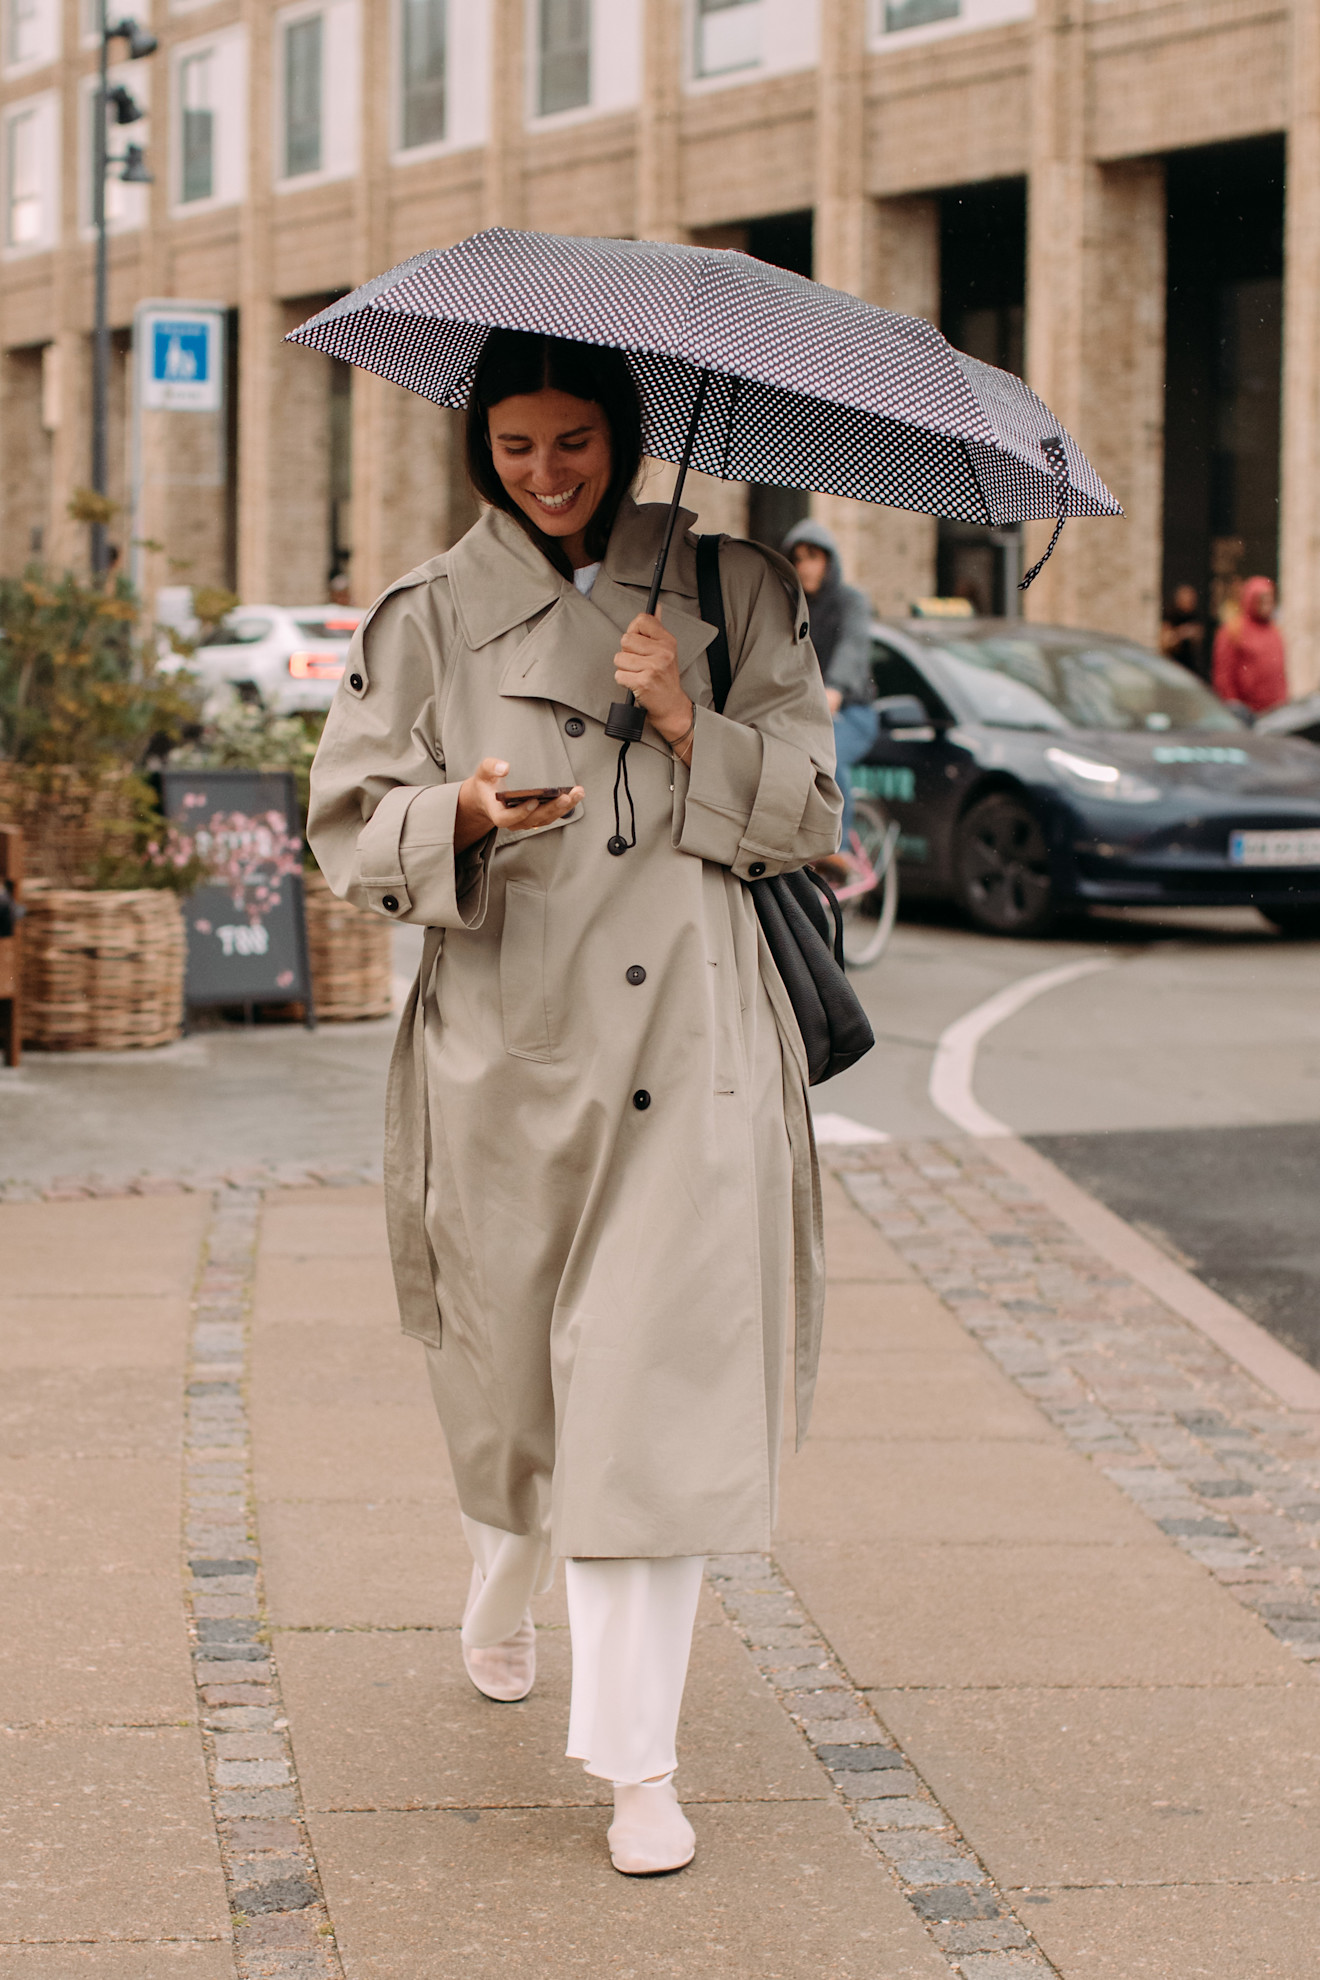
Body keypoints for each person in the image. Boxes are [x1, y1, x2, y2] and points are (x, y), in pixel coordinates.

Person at [307, 331, 840, 1879]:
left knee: (649, 1398)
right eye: (520, 446)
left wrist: (690, 721)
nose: (549, 473)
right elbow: (345, 824)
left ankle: (638, 1768)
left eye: (578, 443)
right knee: (516, 1388)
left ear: (624, 434)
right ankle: (497, 1576)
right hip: (508, 1046)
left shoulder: (739, 594)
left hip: (693, 1043)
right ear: (484, 450)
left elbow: (811, 812)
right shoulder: (428, 614)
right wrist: (458, 812)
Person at [780, 518, 876, 853]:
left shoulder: (851, 602)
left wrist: (833, 688)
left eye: (813, 557)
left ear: (829, 561)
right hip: (805, 711)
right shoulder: (790, 606)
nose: (804, 566)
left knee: (829, 756)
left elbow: (852, 648)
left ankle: (839, 848)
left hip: (852, 711)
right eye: (798, 558)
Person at [1212, 575, 1288, 713]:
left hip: (1275, 710)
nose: (1267, 605)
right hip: (1247, 712)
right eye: (1262, 601)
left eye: (1270, 600)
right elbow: (1223, 675)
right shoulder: (1233, 630)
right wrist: (1233, 706)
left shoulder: (1274, 630)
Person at [1160, 583, 1205, 679]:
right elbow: (1165, 642)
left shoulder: (1194, 616)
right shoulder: (1171, 616)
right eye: (1188, 599)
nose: (1190, 602)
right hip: (1173, 666)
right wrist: (1182, 633)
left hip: (1190, 667)